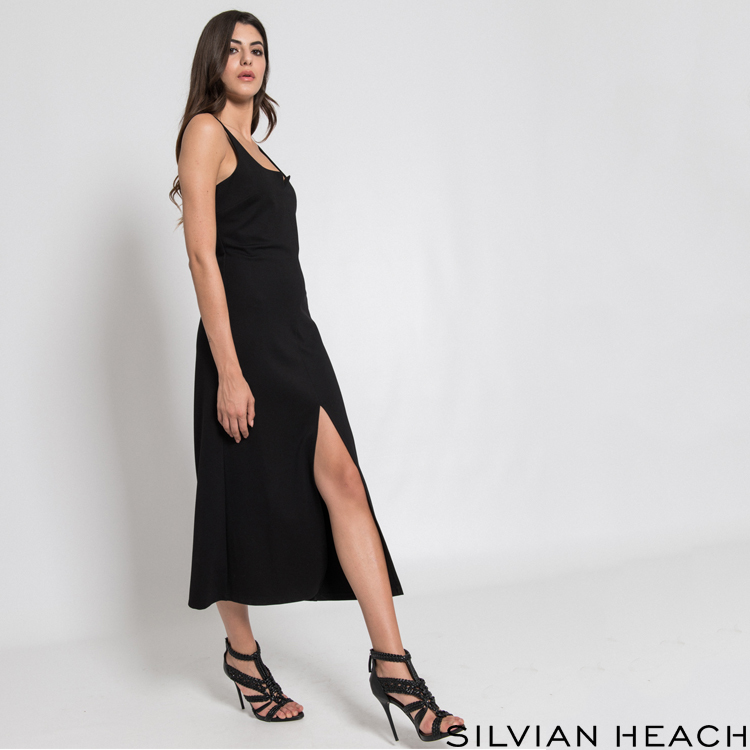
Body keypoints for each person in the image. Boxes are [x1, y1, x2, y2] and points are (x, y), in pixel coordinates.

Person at [170, 10, 465, 742]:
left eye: (258, 49)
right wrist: (229, 371)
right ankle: (243, 657)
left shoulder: (257, 148)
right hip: (244, 345)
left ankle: (391, 666)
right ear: (213, 61)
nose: (247, 60)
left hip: (296, 339)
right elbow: (203, 257)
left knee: (345, 484)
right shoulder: (205, 132)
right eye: (233, 49)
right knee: (232, 497)